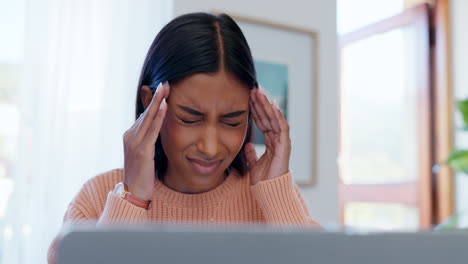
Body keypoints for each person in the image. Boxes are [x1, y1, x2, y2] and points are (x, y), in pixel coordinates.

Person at [47, 12, 319, 263]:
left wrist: (277, 193)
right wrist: (132, 201)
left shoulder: (276, 203)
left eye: (232, 121)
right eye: (190, 119)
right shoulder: (96, 199)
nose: (210, 147)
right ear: (150, 103)